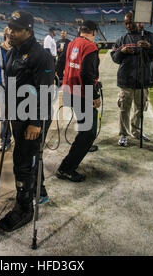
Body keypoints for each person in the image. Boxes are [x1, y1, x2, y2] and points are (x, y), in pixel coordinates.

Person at [0, 10, 55, 232]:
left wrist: (36, 122)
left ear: (28, 31)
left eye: (16, 29)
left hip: (33, 117)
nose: (10, 32)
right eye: (10, 27)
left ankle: (24, 209)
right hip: (18, 113)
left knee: (23, 160)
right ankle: (37, 191)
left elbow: (46, 91)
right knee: (27, 157)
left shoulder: (40, 55)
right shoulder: (14, 51)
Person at [111, 12, 153, 147]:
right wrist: (121, 52)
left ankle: (136, 131)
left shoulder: (152, 37)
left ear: (139, 22)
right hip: (126, 80)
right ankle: (123, 134)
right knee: (124, 108)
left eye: (130, 22)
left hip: (144, 79)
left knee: (140, 109)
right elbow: (115, 58)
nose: (128, 25)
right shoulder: (122, 39)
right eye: (126, 23)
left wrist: (150, 47)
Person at [56, 20, 101, 183]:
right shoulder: (90, 46)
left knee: (84, 125)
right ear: (94, 32)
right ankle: (66, 169)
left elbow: (60, 64)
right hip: (82, 92)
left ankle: (84, 146)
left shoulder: (72, 43)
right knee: (89, 132)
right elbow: (87, 74)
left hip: (69, 90)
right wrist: (94, 95)